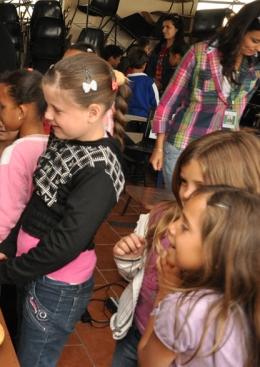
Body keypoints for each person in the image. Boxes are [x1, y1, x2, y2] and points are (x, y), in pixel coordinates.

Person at [0, 53, 130, 366]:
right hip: (30, 270)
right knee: (22, 347)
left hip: (56, 287)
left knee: (35, 359)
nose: (49, 115)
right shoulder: (63, 137)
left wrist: (5, 272)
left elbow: (65, 244)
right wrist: (7, 248)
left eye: (58, 109)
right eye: (48, 105)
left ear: (93, 112)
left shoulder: (100, 170)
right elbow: (39, 201)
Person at [110, 130, 260, 367]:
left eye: (202, 187)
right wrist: (129, 260)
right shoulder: (161, 217)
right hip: (135, 329)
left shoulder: (201, 305)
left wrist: (168, 291)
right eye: (183, 181)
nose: (187, 193)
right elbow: (139, 275)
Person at [137, 186, 260, 366]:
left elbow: (147, 362)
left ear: (217, 254)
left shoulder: (183, 309)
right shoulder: (248, 301)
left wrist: (165, 293)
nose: (171, 227)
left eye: (185, 226)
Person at [150, 0, 260, 190]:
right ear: (240, 29)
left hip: (223, 154)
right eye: (255, 41)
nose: (258, 48)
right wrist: (159, 147)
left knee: (209, 213)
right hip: (183, 145)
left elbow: (239, 108)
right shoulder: (199, 53)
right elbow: (168, 102)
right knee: (181, 207)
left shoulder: (255, 66)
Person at [0, 69, 47, 253]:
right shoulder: (52, 144)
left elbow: (8, 217)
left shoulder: (14, 153)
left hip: (13, 250)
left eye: (2, 107)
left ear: (21, 112)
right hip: (39, 248)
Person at [145, 14, 186, 93]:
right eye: (163, 27)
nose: (164, 30)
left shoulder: (183, 49)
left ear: (177, 29)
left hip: (170, 90)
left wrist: (162, 84)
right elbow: (149, 63)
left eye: (168, 27)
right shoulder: (159, 46)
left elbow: (180, 71)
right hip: (153, 88)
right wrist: (152, 79)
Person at [126, 47, 159, 118]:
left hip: (126, 120)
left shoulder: (123, 81)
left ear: (129, 63)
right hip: (144, 122)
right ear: (144, 65)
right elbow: (156, 104)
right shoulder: (149, 82)